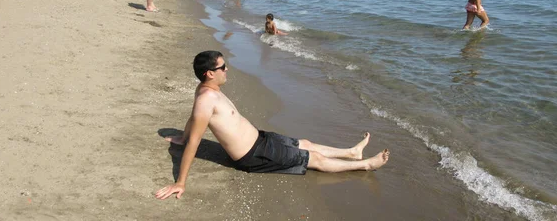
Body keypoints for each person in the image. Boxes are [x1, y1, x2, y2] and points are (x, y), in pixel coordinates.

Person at [155, 51, 390, 200]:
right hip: (254, 155)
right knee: (314, 158)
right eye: (222, 67)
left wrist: (182, 136)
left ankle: (352, 152)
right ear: (209, 73)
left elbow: (192, 122)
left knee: (305, 143)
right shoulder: (206, 99)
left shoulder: (207, 90)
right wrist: (180, 182)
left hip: (260, 139)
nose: (227, 70)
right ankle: (366, 165)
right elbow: (196, 140)